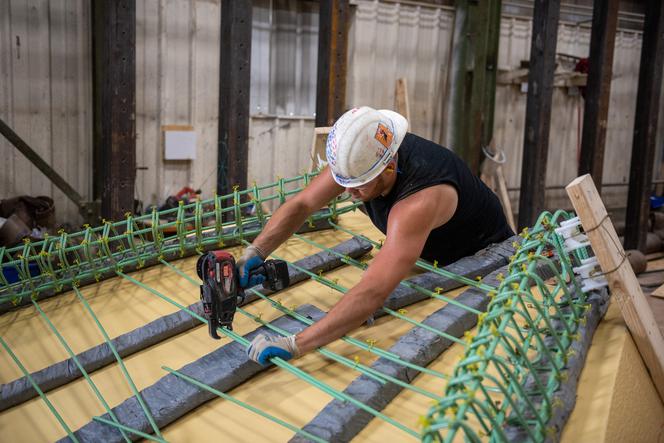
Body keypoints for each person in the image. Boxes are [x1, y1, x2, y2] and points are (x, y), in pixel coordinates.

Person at [243, 106, 514, 365]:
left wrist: (296, 344)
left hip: (486, 263)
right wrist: (255, 252)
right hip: (434, 255)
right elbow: (303, 204)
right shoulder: (366, 152)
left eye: (358, 187)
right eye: (344, 183)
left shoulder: (418, 202)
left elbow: (372, 292)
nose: (349, 193)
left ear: (388, 169)